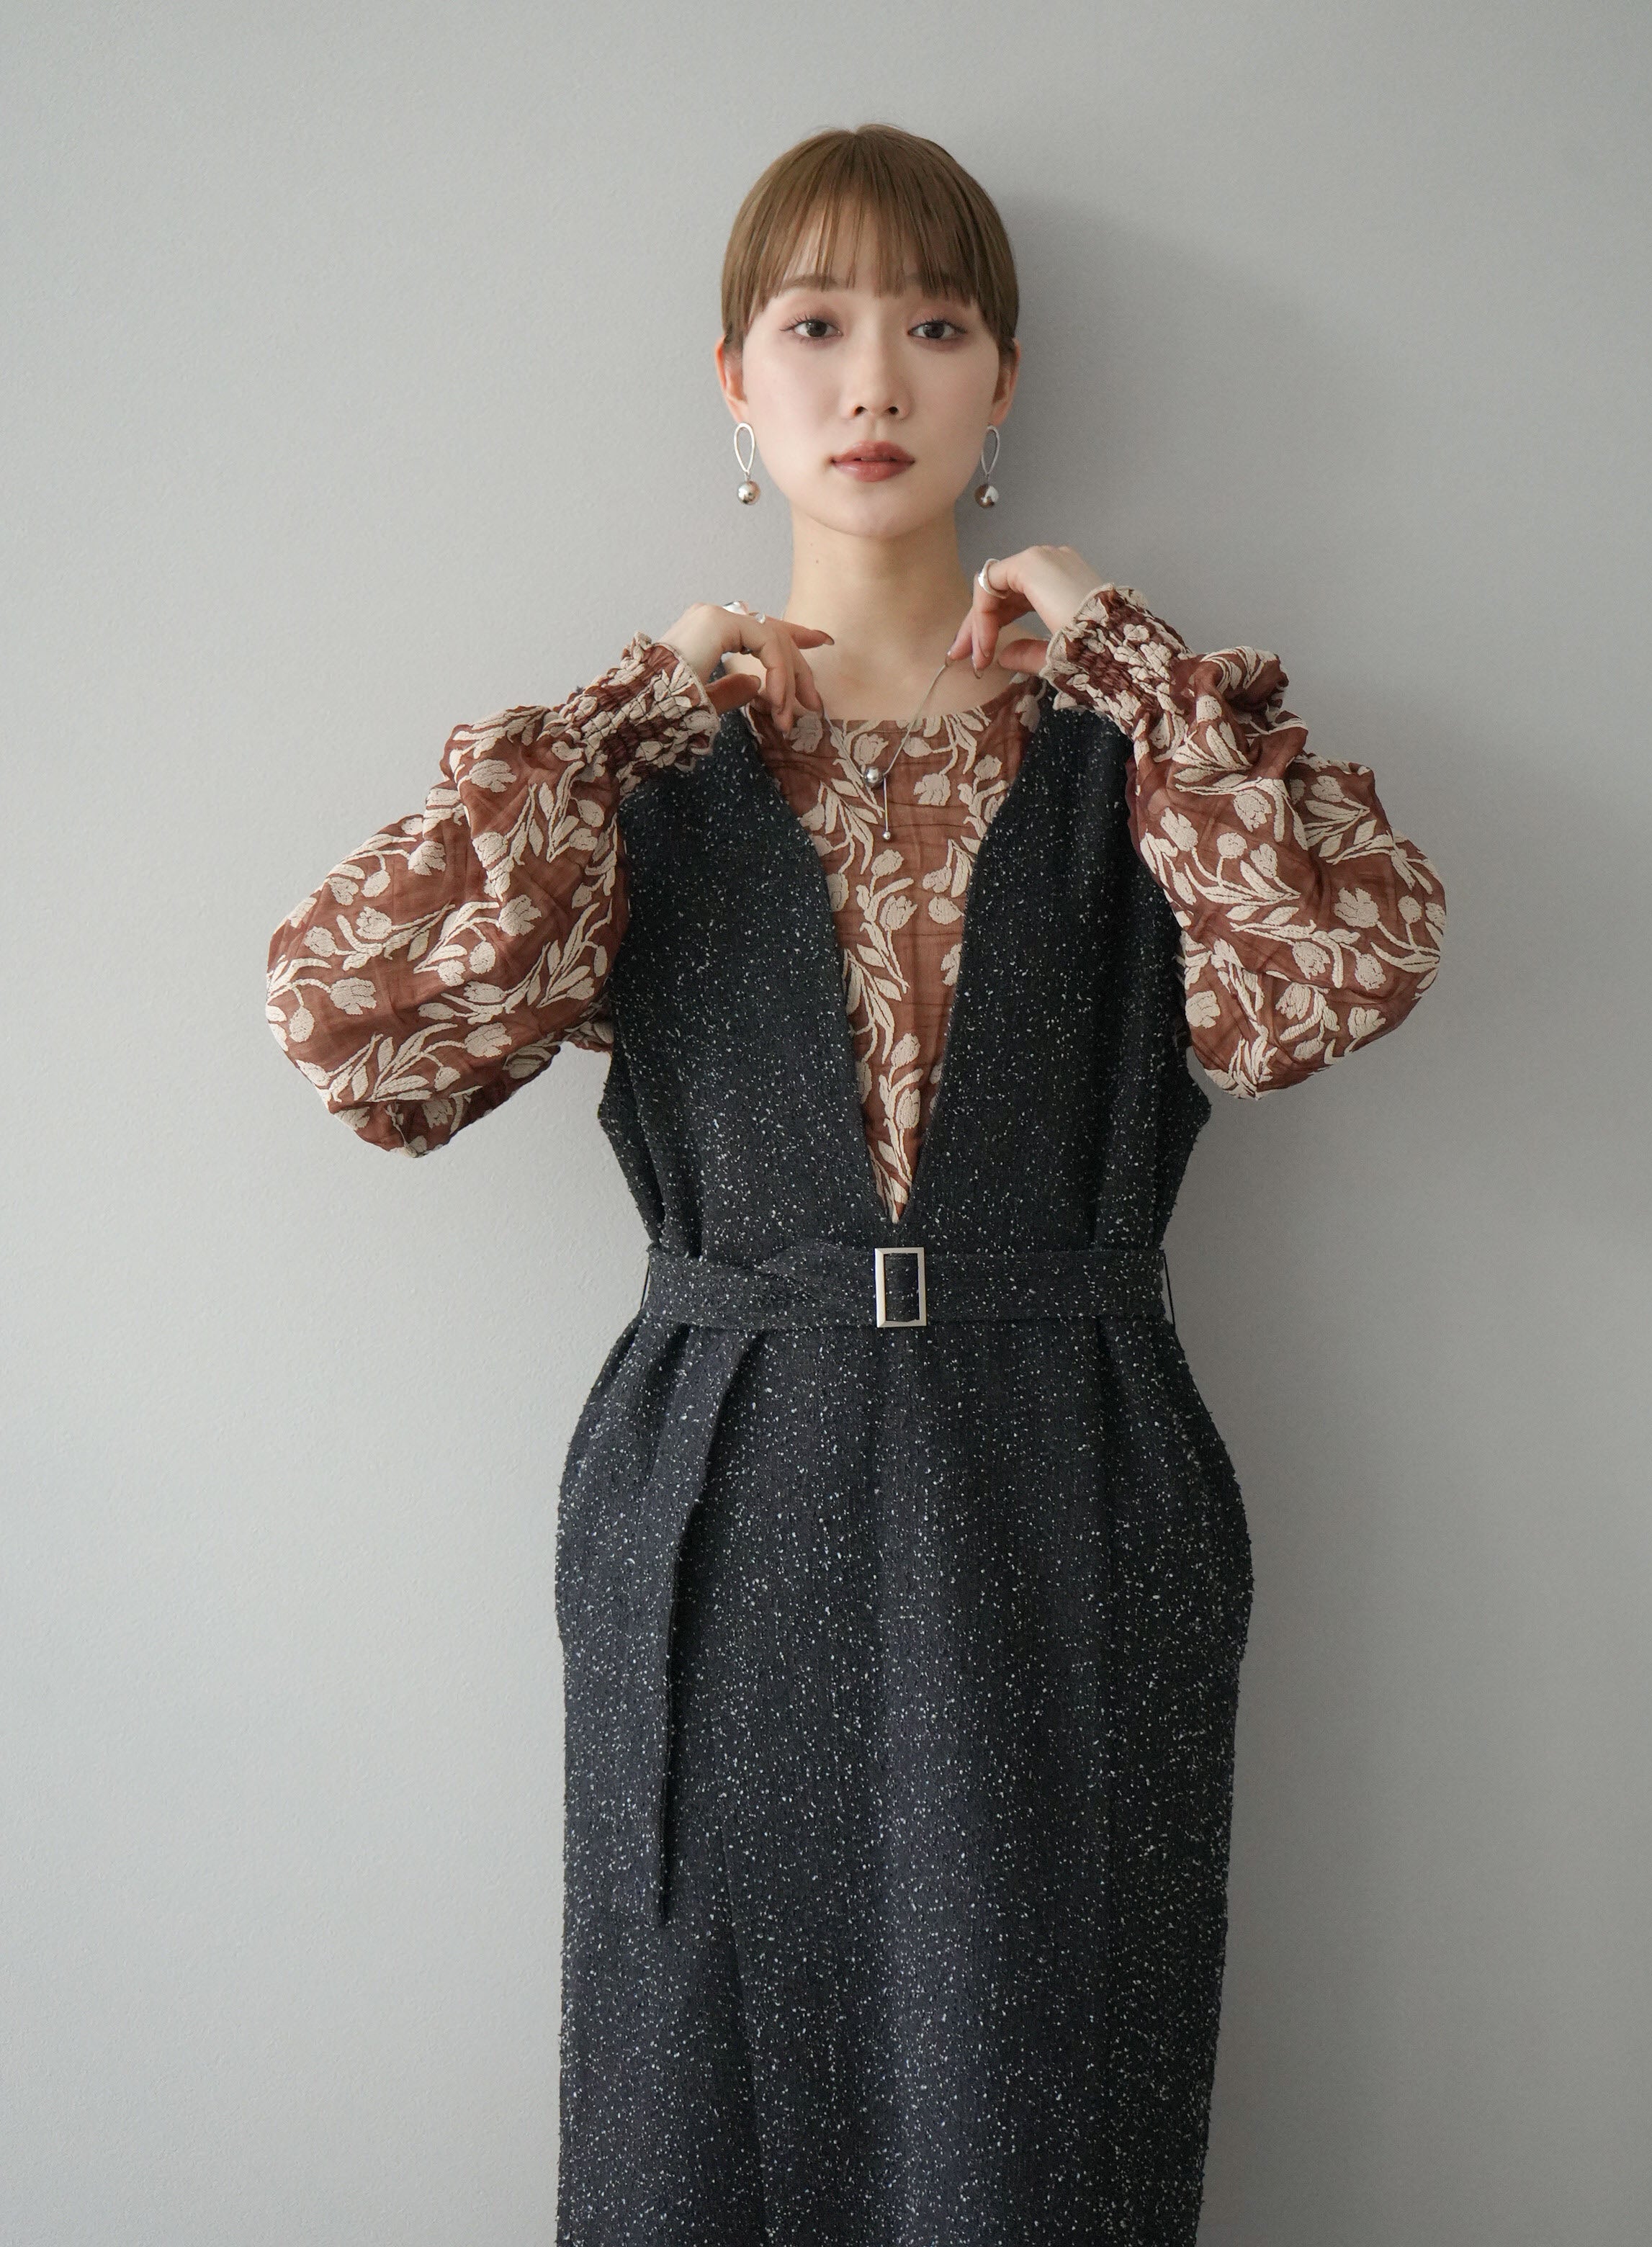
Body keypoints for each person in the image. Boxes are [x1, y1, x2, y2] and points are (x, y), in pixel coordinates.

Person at [266, 123, 1444, 2247]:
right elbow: (360, 1039)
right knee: (701, 2095)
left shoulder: (1130, 758)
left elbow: (1328, 986)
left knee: (1045, 2103)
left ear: (1006, 381)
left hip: (1069, 1468)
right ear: (735, 383)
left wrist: (1130, 654)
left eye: (936, 323)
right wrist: (627, 710)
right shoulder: (645, 777)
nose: (874, 378)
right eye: (814, 326)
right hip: (728, 1477)